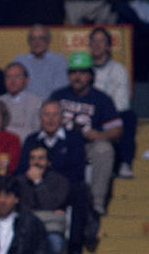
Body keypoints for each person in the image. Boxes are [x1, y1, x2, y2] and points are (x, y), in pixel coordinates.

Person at [50, 52, 123, 216]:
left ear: (90, 75)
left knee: (104, 149)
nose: (78, 77)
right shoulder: (58, 96)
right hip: (62, 143)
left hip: (87, 145)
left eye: (82, 72)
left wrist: (98, 135)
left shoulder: (101, 99)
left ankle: (96, 203)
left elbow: (117, 130)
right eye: (74, 72)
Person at [89, 27, 137, 179]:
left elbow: (121, 104)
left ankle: (124, 163)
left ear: (108, 46)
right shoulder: (83, 70)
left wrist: (104, 114)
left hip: (110, 117)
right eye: (94, 41)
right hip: (89, 116)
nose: (97, 44)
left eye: (101, 41)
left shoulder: (119, 70)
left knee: (129, 117)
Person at [14, 25, 68, 99]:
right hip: (25, 106)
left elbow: (61, 90)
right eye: (33, 38)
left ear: (48, 40)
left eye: (41, 38)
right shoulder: (20, 61)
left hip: (52, 106)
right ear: (29, 42)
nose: (37, 42)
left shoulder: (59, 60)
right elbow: (16, 90)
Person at [0, 62, 42, 144]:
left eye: (17, 76)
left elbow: (36, 132)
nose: (12, 81)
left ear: (26, 80)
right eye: (8, 77)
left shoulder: (37, 103)